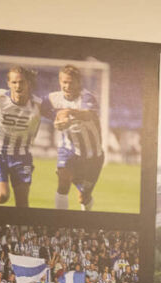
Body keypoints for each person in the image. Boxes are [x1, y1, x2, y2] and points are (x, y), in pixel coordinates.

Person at [44, 64, 103, 211]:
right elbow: (37, 107)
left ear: (79, 83)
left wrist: (68, 112)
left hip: (92, 157)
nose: (67, 86)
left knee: (83, 197)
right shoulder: (53, 98)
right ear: (60, 82)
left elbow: (88, 114)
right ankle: (60, 221)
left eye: (71, 82)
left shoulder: (87, 97)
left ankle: (85, 212)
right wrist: (56, 118)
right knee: (63, 183)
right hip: (68, 150)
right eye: (64, 82)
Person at [0, 66, 45, 208]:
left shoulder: (39, 104)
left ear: (28, 83)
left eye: (21, 82)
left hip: (21, 155)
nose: (18, 86)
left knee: (22, 203)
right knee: (2, 197)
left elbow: (58, 112)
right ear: (8, 83)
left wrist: (62, 117)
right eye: (14, 82)